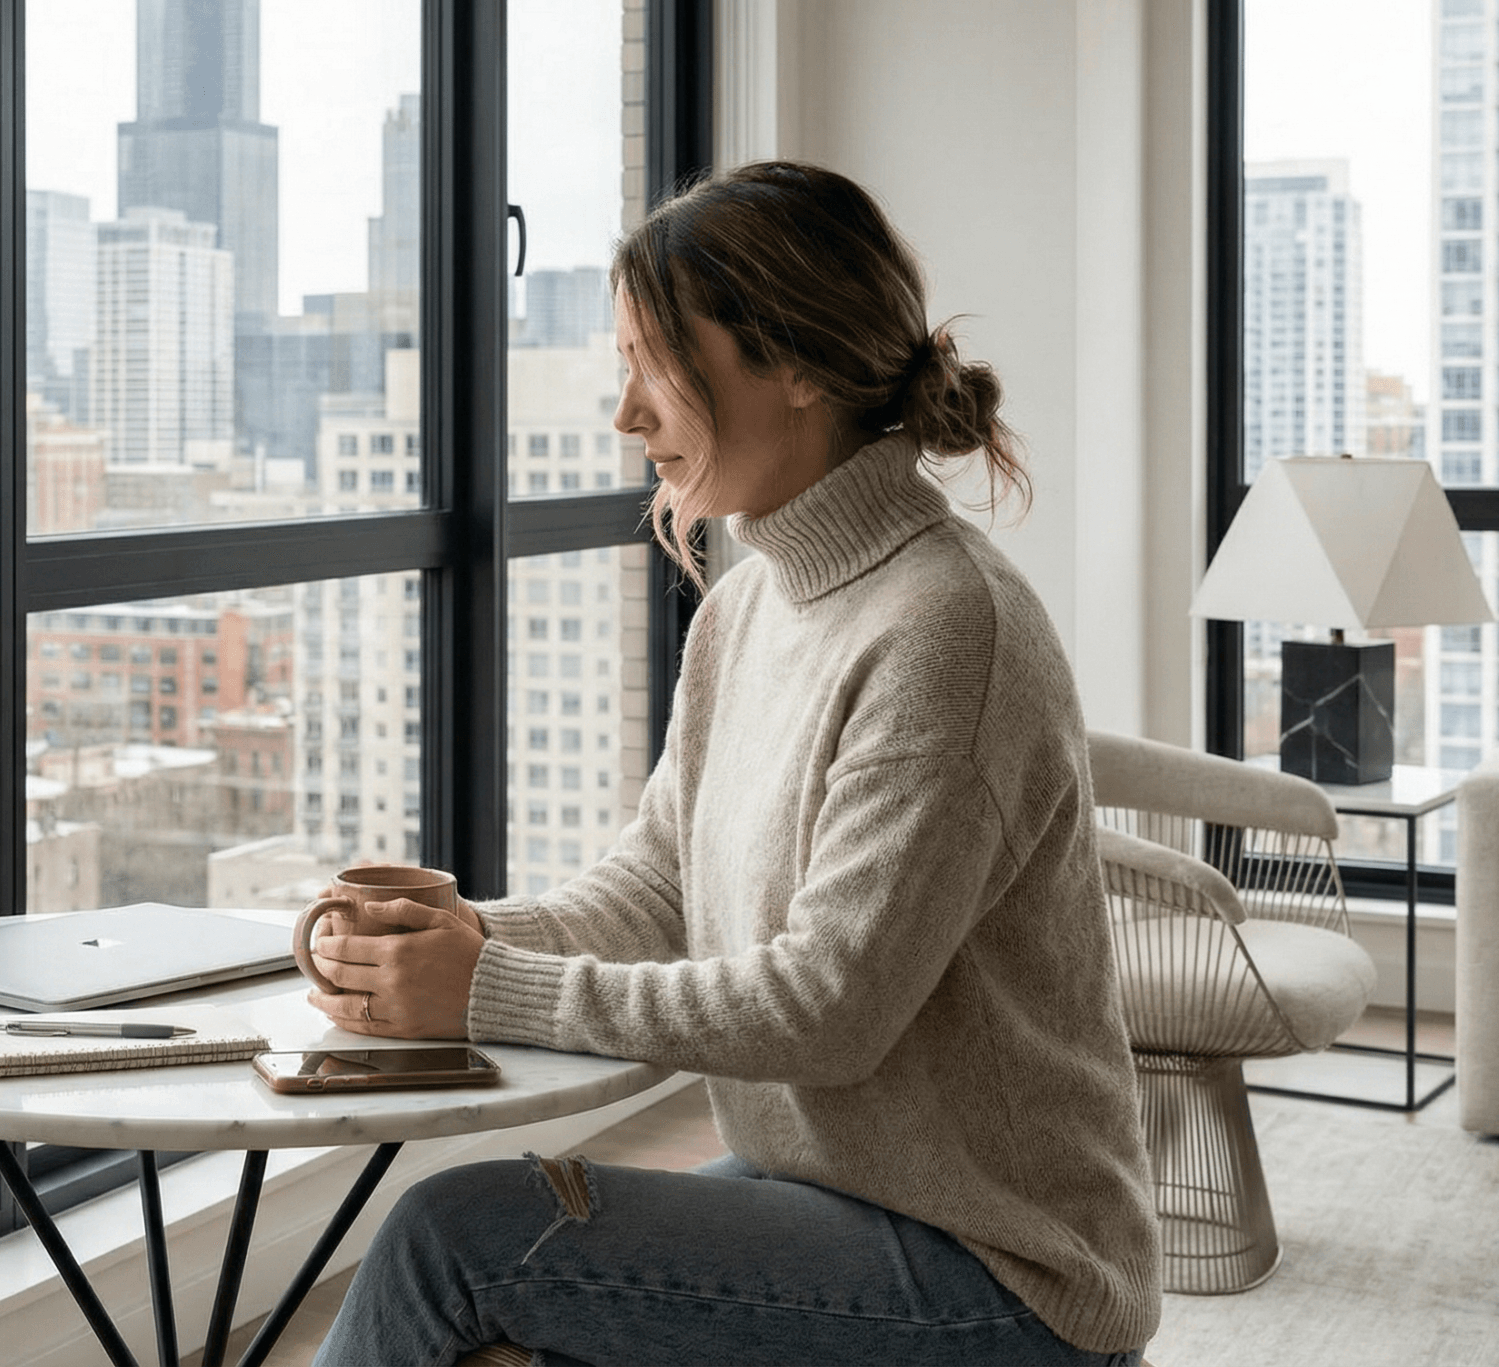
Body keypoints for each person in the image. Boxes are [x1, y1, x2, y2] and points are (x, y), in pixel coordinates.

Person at [302, 160, 1159, 1367]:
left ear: (797, 364)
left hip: (1003, 1274)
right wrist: (465, 941)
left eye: (656, 362)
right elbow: (658, 888)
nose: (627, 413)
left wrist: (482, 992)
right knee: (504, 1304)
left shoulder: (948, 629)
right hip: (830, 1195)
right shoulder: (747, 608)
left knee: (457, 1237)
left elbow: (828, 1008)